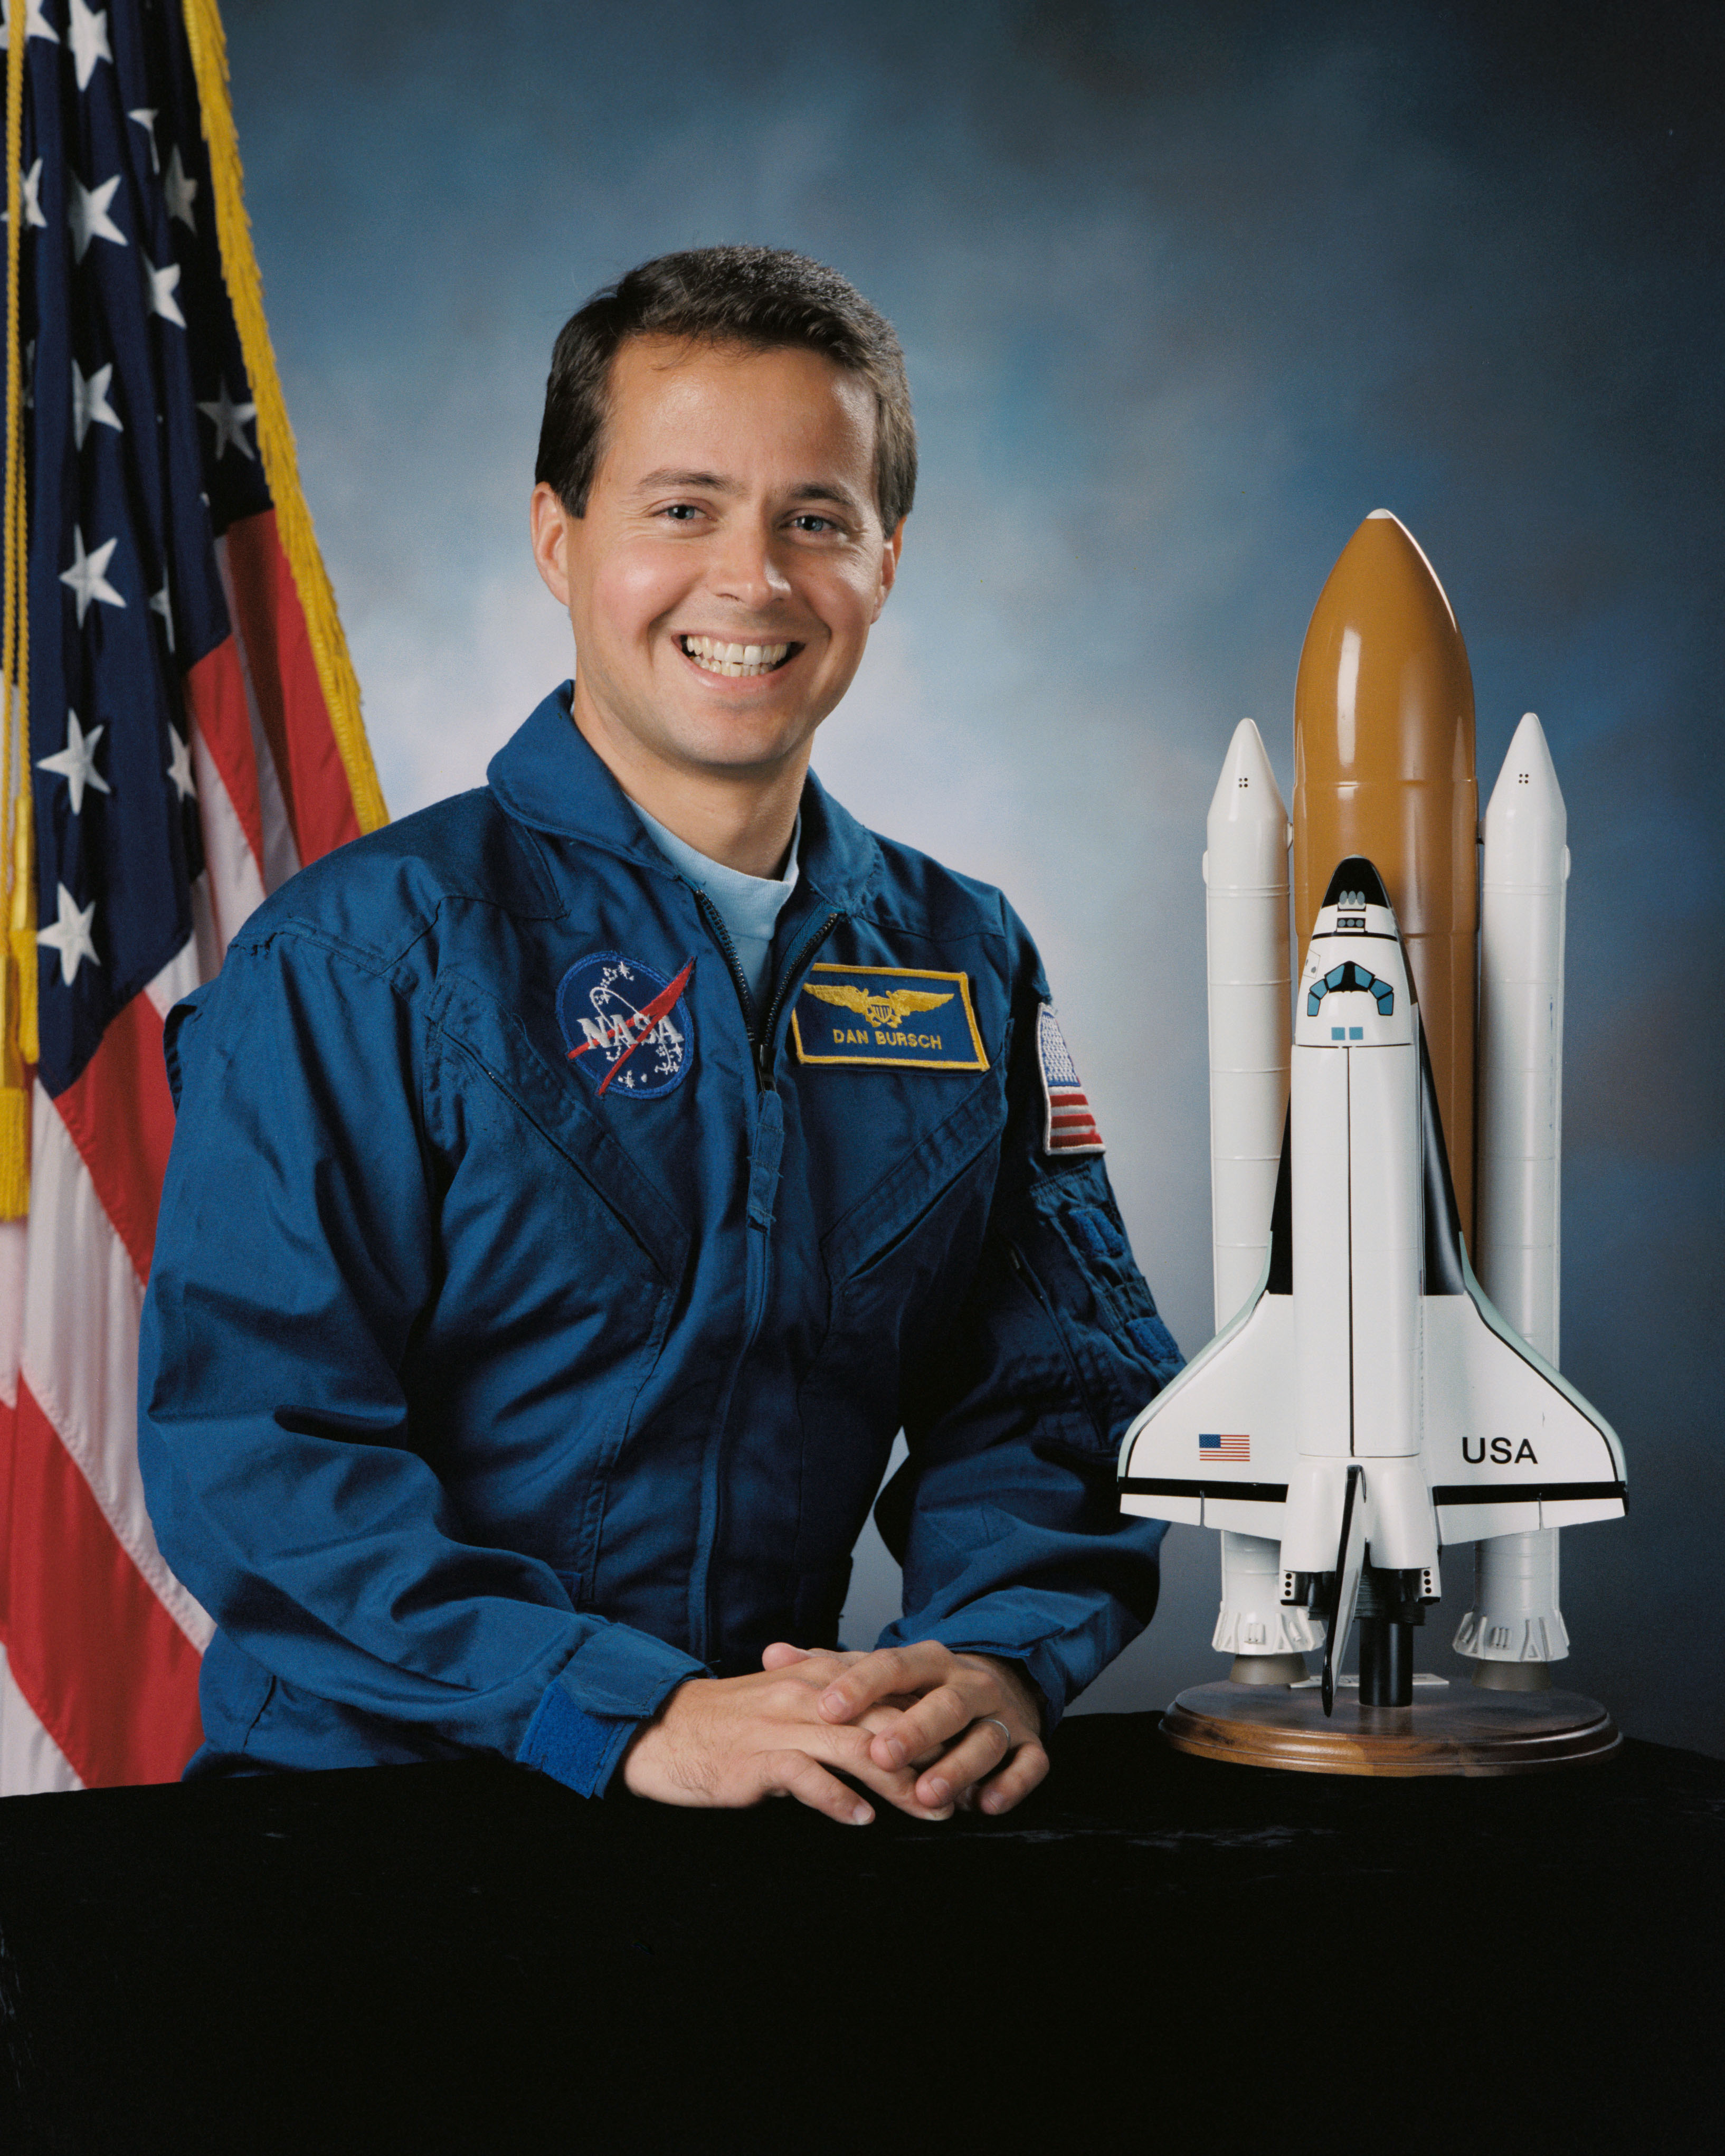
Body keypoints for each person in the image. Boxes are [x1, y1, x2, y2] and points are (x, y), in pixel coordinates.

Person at [138, 247, 1183, 1828]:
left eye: (813, 518)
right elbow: (259, 1450)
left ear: (886, 560)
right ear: (561, 541)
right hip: (370, 1833)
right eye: (682, 506)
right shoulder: (359, 959)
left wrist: (987, 1654)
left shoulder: (962, 960)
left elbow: (1059, 1395)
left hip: (781, 1794)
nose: (752, 579)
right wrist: (629, 1713)